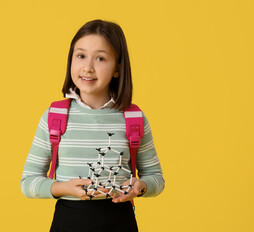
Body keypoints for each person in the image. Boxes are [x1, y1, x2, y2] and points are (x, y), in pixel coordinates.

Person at [20, 19, 165, 232]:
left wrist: (141, 187)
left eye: (100, 58)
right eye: (80, 56)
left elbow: (156, 179)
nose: (88, 67)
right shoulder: (55, 115)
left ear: (117, 68)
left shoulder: (133, 118)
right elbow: (28, 182)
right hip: (67, 222)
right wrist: (62, 188)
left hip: (120, 222)